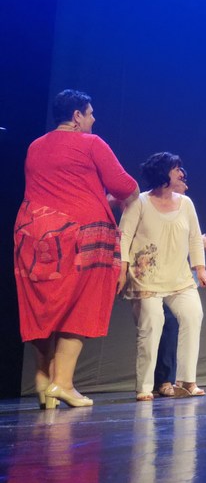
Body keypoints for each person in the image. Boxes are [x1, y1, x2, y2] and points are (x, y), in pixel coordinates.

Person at [14, 90, 139, 408]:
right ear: (76, 116)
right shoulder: (91, 143)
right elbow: (124, 186)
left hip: (33, 231)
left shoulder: (35, 146)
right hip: (80, 233)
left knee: (43, 306)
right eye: (90, 113)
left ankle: (43, 380)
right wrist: (124, 197)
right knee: (79, 304)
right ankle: (64, 383)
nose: (94, 119)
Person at [119, 152, 206, 401]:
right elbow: (124, 236)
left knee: (193, 315)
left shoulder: (186, 203)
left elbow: (194, 237)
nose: (181, 172)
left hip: (179, 276)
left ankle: (187, 381)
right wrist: (122, 269)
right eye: (176, 168)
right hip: (147, 277)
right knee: (152, 324)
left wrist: (200, 268)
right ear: (162, 173)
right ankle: (145, 387)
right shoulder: (140, 202)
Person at [153, 232, 206, 397]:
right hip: (155, 271)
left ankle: (184, 381)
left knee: (185, 319)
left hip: (178, 274)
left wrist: (198, 243)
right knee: (166, 322)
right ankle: (163, 380)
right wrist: (199, 242)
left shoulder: (186, 214)